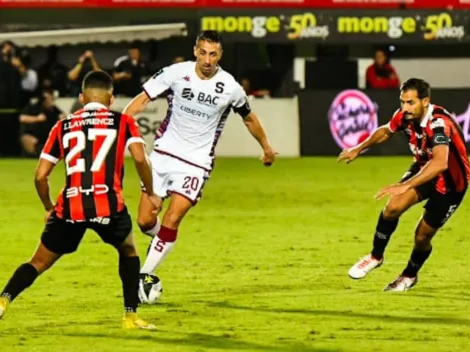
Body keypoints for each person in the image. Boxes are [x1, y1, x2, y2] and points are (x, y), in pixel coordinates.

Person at [0, 71, 159, 330]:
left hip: (70, 206)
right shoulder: (123, 122)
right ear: (112, 99)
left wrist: (49, 208)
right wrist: (150, 192)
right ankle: (130, 317)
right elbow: (141, 159)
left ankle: (3, 301)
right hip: (108, 203)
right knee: (128, 251)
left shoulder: (62, 125)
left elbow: (40, 176)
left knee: (38, 262)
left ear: (81, 98)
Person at [123, 30, 277, 284]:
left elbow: (249, 117)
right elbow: (141, 100)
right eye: (203, 53)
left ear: (220, 55)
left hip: (196, 163)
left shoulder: (230, 87)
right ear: (195, 51)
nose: (207, 60)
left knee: (172, 217)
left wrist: (267, 148)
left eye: (213, 54)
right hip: (163, 155)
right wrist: (122, 129)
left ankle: (144, 276)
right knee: (144, 220)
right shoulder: (175, 73)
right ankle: (164, 240)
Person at [338, 78, 469, 291]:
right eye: (402, 102)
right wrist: (358, 148)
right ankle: (375, 256)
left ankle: (409, 275)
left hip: (452, 184)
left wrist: (405, 185)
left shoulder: (438, 124)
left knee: (422, 236)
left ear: (425, 101)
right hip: (423, 166)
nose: (405, 108)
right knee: (392, 208)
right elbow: (385, 131)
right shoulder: (404, 116)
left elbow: (440, 163)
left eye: (410, 103)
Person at [19, 89, 65, 157]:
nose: (51, 101)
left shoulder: (54, 109)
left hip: (46, 138)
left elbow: (63, 117)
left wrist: (62, 118)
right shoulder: (34, 107)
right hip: (32, 136)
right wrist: (37, 118)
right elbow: (22, 118)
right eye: (49, 99)